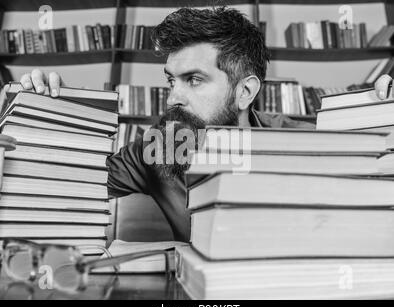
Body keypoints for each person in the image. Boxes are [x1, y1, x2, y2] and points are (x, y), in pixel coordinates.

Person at [18, 7, 392, 241]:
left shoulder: (307, 142)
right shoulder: (157, 148)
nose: (173, 97)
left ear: (245, 92)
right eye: (170, 80)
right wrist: (46, 117)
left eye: (194, 79)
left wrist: (380, 120)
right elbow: (59, 183)